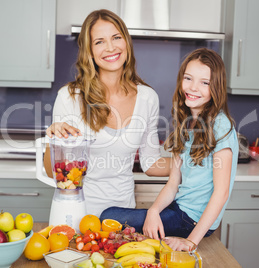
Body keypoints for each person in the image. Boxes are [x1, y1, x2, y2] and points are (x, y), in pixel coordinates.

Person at [100, 48, 238, 246]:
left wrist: (190, 243)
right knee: (114, 219)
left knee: (108, 217)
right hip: (179, 209)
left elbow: (221, 193)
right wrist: (154, 211)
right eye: (188, 78)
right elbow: (174, 183)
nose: (193, 87)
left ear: (216, 87)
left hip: (192, 221)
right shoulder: (187, 123)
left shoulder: (221, 125)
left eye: (204, 83)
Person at [44, 9, 170, 217]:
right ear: (89, 51)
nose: (110, 47)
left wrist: (194, 164)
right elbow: (52, 172)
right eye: (99, 42)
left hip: (123, 217)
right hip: (77, 214)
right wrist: (54, 141)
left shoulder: (148, 98)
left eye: (116, 37)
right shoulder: (70, 97)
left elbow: (150, 162)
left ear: (126, 42)